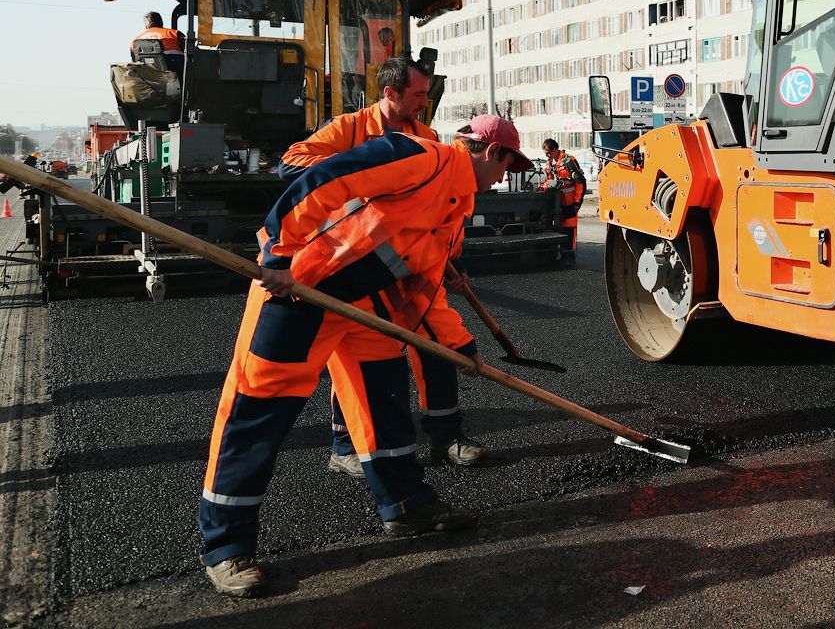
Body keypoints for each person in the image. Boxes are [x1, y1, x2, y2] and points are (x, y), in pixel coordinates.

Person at [199, 115, 530, 597]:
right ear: (489, 152)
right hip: (302, 291)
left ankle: (405, 503)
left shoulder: (456, 208)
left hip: (364, 305)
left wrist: (447, 343)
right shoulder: (420, 157)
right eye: (508, 164)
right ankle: (226, 547)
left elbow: (422, 284)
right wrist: (279, 256)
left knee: (384, 400)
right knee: (257, 413)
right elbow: (322, 179)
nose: (506, 175)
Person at [280, 57, 496, 473]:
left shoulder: (425, 135)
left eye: (426, 94)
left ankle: (446, 437)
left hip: (406, 262)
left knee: (435, 344)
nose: (423, 102)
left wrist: (447, 261)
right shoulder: (351, 129)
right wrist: (359, 173)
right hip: (351, 259)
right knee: (355, 350)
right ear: (390, 93)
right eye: (417, 95)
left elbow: (442, 203)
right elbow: (291, 162)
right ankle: (344, 447)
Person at [540, 138, 585, 262]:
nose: (546, 155)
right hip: (556, 203)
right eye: (545, 153)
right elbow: (548, 181)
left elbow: (580, 183)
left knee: (569, 230)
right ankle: (561, 255)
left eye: (548, 153)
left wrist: (577, 202)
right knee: (558, 228)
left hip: (570, 203)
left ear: (555, 150)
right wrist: (542, 188)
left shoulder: (569, 161)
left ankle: (569, 256)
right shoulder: (549, 163)